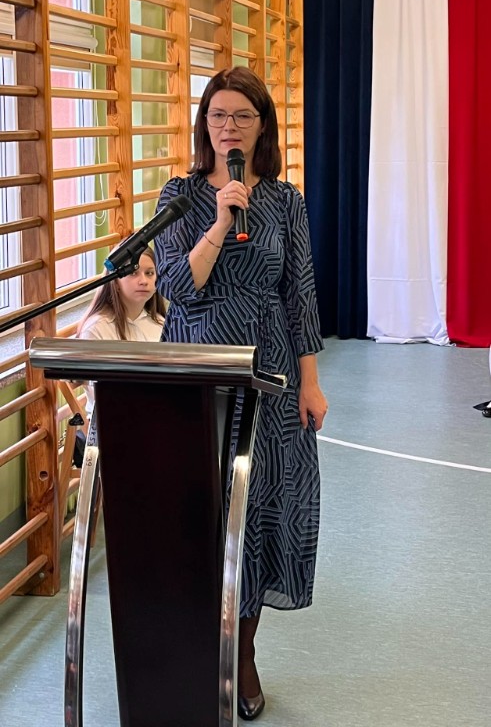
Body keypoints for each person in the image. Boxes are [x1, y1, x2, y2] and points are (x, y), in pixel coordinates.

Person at [154, 67, 328, 721]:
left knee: (261, 509)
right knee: (197, 511)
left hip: (270, 366)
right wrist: (221, 221)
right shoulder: (179, 194)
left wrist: (311, 381)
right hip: (196, 364)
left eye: (242, 116)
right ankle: (198, 644)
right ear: (204, 124)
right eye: (218, 115)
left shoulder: (285, 200)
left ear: (262, 127)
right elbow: (177, 286)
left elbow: (300, 293)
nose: (228, 126)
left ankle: (243, 650)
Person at [76, 245, 166, 415]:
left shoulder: (162, 324)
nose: (143, 281)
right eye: (133, 273)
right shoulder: (97, 328)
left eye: (149, 273)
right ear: (115, 282)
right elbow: (102, 395)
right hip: (113, 418)